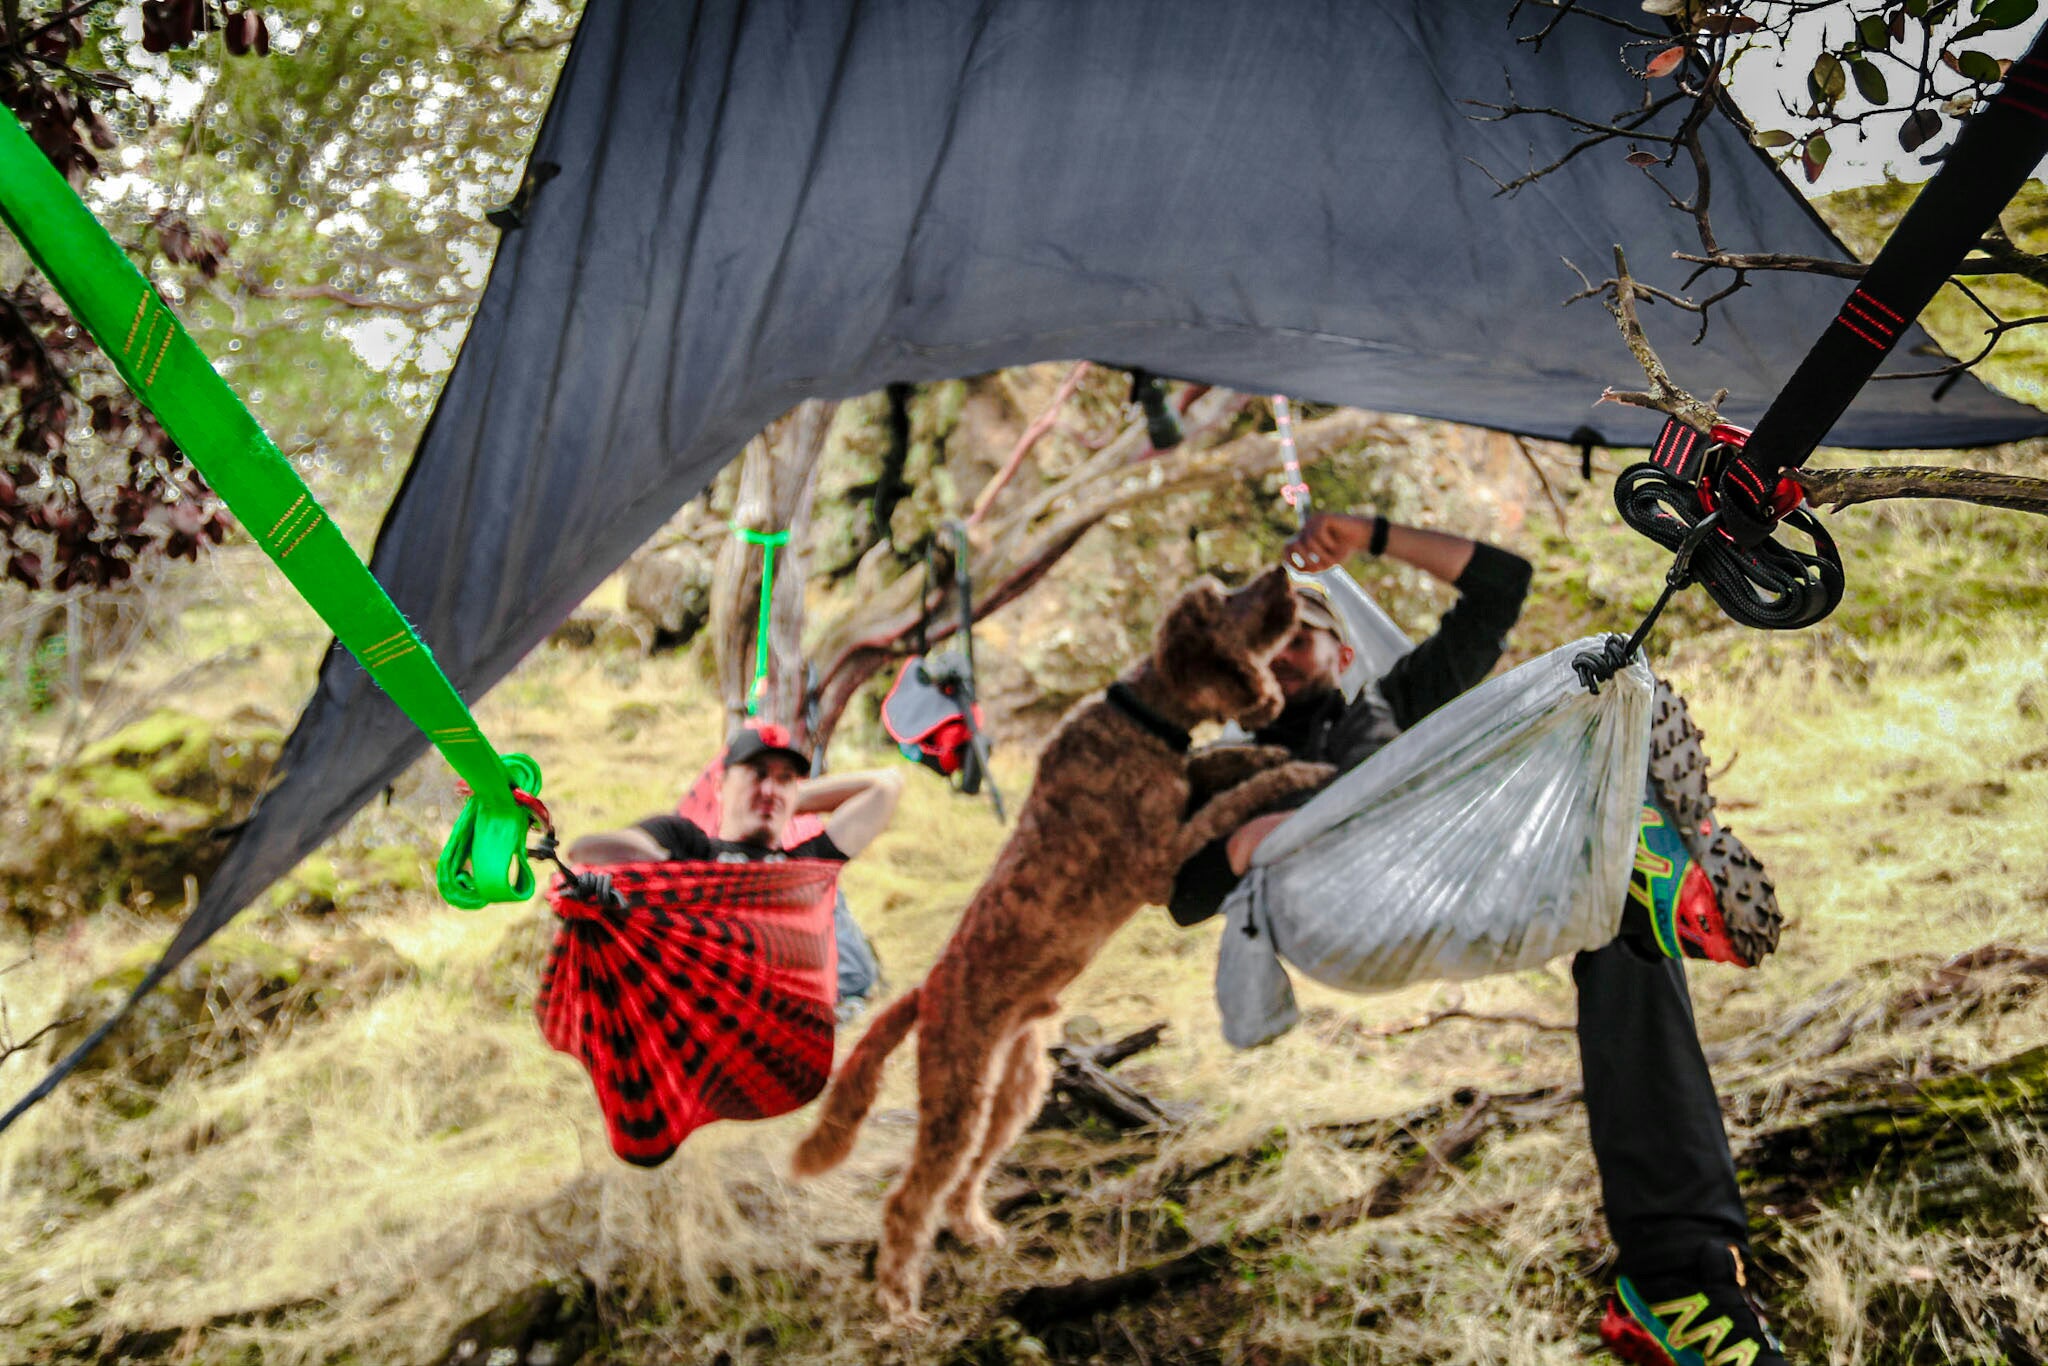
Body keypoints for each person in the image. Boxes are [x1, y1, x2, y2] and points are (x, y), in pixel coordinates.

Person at [1174, 510, 1788, 1366]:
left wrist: (1370, 535)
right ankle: (1631, 854)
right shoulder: (1226, 768)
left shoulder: (1398, 701)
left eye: (1298, 643)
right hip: (1338, 916)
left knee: (1624, 940)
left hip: (1459, 885)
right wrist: (1250, 838)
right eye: (1262, 656)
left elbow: (1503, 586)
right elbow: (1182, 892)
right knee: (1613, 887)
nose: (1279, 661)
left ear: (1344, 652)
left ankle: (1679, 1283)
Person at [568, 723, 903, 1017]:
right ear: (720, 785)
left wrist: (785, 799)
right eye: (757, 774)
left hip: (782, 1033)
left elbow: (885, 786)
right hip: (697, 1025)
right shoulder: (688, 845)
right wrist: (667, 871)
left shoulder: (806, 864)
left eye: (784, 777)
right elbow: (588, 850)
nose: (770, 787)